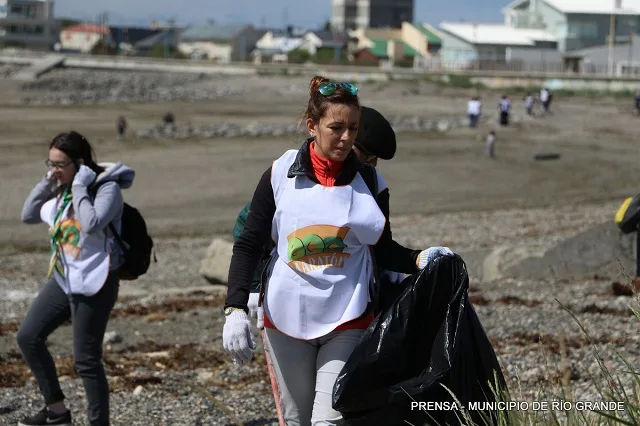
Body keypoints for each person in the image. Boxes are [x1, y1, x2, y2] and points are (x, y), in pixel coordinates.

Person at [222, 76, 453, 425]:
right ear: (312, 125)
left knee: (328, 420)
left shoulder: (372, 184)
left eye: (354, 129)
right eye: (337, 127)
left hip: (347, 317)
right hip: (284, 319)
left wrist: (417, 259)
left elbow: (382, 247)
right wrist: (237, 305)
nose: (346, 138)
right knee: (296, 418)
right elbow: (249, 241)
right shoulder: (280, 173)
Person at [17, 131, 135, 426]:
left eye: (59, 164)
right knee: (28, 337)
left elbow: (91, 223)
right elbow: (28, 214)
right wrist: (47, 181)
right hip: (64, 277)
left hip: (96, 280)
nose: (53, 169)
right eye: (50, 162)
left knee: (86, 360)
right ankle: (56, 410)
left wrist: (81, 185)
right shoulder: (61, 187)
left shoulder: (106, 188)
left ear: (80, 164)